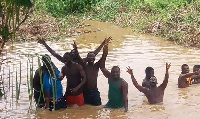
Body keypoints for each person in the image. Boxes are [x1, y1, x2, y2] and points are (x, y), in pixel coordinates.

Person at [72, 37, 112, 106]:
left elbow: (104, 55)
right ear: (87, 58)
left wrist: (106, 45)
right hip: (85, 92)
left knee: (97, 109)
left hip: (94, 92)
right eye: (90, 57)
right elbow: (79, 58)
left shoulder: (96, 66)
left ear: (94, 59)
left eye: (93, 57)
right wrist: (75, 49)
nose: (91, 59)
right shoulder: (84, 66)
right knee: (85, 110)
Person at [100, 43, 128, 112]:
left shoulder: (123, 83)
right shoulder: (110, 77)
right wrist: (105, 52)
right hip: (109, 105)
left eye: (117, 72)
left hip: (119, 107)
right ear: (111, 73)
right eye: (113, 72)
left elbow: (125, 97)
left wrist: (126, 109)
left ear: (119, 73)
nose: (115, 74)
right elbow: (102, 67)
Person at [37, 37, 108, 64]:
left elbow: (94, 54)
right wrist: (45, 44)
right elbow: (54, 54)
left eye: (75, 52)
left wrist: (102, 44)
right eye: (73, 53)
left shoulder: (80, 61)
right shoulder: (66, 61)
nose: (74, 54)